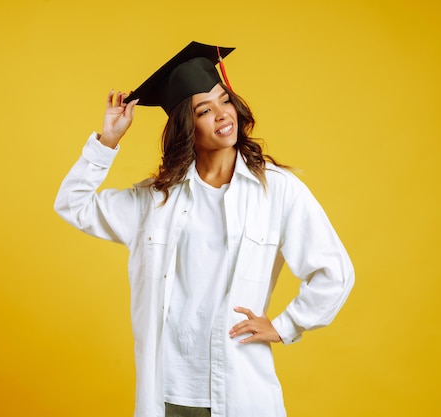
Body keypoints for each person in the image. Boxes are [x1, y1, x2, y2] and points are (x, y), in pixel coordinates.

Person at [54, 41, 355, 417]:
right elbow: (73, 204)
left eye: (224, 100)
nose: (222, 115)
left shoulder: (276, 189)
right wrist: (108, 140)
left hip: (241, 392)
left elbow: (334, 272)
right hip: (167, 394)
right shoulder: (155, 200)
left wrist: (286, 325)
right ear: (186, 126)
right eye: (204, 110)